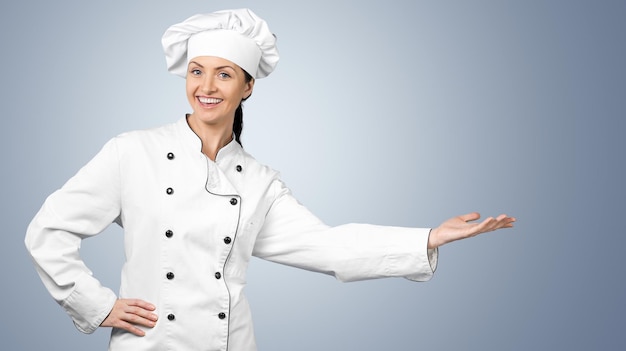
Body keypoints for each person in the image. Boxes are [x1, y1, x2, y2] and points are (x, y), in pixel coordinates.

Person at [25, 8, 515, 351]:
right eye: (197, 72)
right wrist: (99, 305)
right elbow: (49, 230)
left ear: (248, 86)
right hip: (151, 346)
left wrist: (428, 238)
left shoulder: (258, 181)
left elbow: (328, 248)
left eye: (223, 74)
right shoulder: (133, 152)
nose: (206, 87)